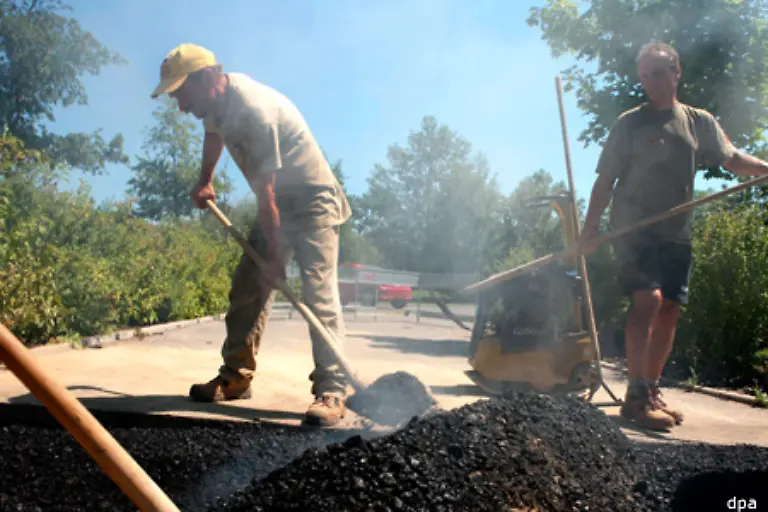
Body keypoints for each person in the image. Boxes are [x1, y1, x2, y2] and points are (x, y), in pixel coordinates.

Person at [150, 43, 353, 427]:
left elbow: (267, 195)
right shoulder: (215, 104)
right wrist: (205, 179)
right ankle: (236, 377)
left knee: (318, 294)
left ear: (207, 77)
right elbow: (213, 134)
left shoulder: (254, 111)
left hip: (312, 201)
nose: (180, 107)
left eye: (181, 94)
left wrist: (275, 260)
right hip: (277, 203)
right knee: (247, 285)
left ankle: (333, 389)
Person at [579, 41, 768, 431]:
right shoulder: (629, 124)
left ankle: (649, 391)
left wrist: (766, 168)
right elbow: (605, 181)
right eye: (644, 76)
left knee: (670, 309)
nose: (649, 82)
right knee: (648, 299)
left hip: (676, 232)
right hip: (635, 228)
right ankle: (635, 398)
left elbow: (732, 159)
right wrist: (590, 230)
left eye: (657, 74)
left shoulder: (698, 122)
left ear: (676, 72)